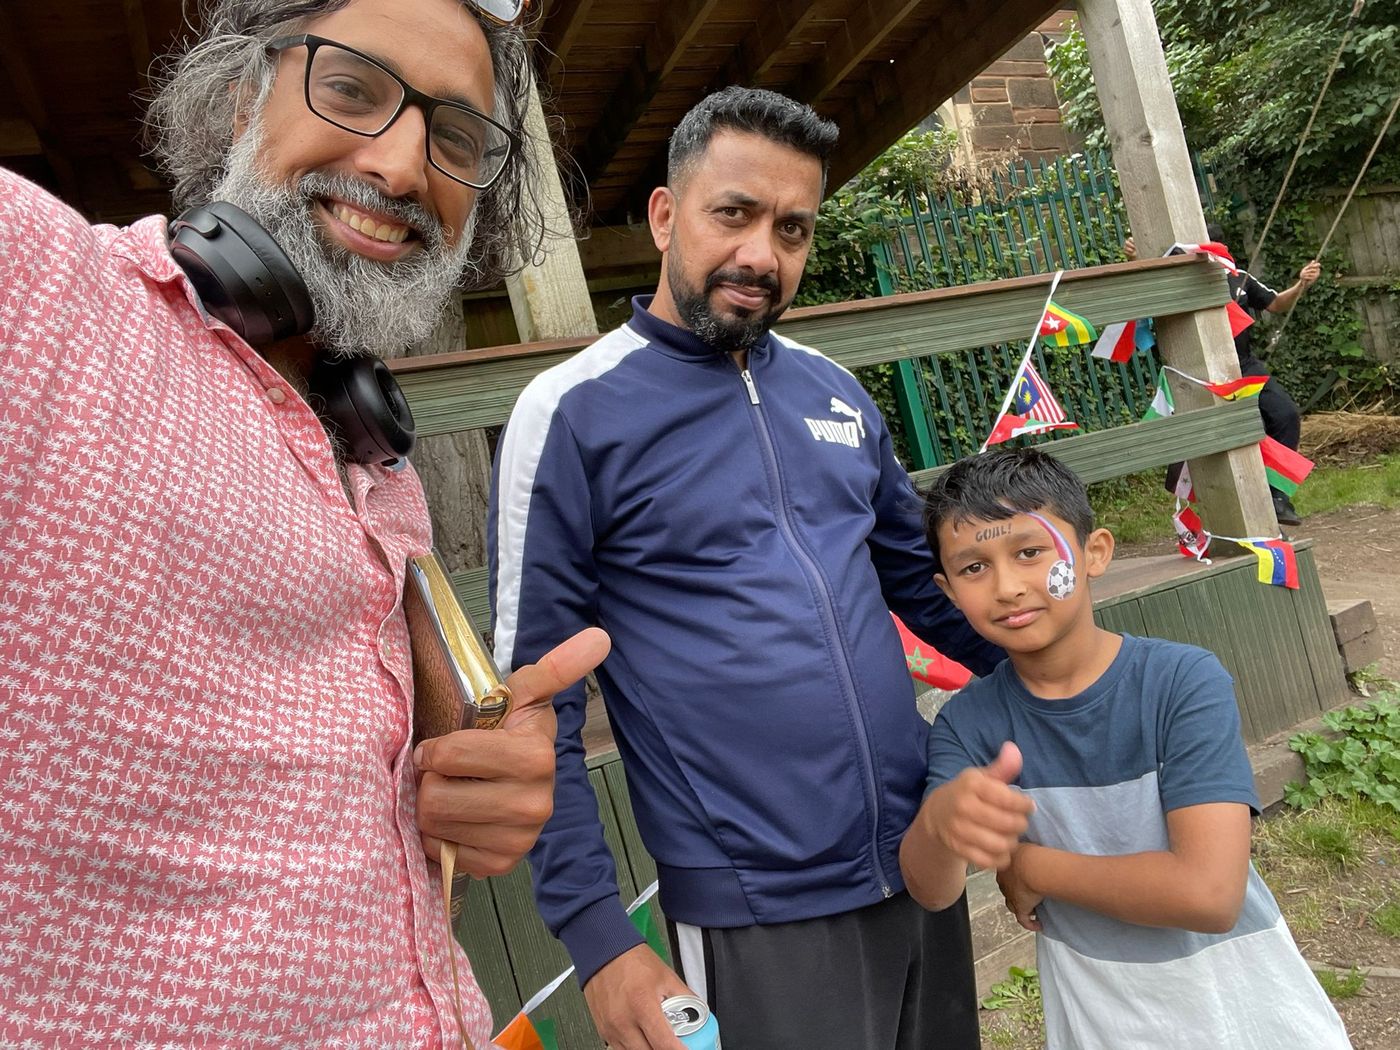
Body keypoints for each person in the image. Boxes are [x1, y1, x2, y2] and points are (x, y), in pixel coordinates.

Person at [0, 1, 611, 1046]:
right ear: (243, 97)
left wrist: (470, 786)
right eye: (353, 89)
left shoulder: (378, 459)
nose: (402, 163)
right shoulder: (45, 287)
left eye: (454, 139)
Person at [489, 86, 1005, 1050]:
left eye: (794, 229)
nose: (762, 255)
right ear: (665, 214)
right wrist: (600, 941)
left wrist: (1085, 692)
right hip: (754, 911)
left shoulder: (837, 392)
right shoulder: (570, 415)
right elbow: (533, 704)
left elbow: (933, 593)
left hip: (926, 863)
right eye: (735, 214)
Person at [899, 448, 1352, 1049]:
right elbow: (934, 890)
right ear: (948, 591)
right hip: (1098, 1021)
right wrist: (939, 827)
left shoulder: (1181, 682)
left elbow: (1210, 894)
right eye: (974, 568)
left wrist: (1030, 864)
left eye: (1030, 552)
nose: (1007, 587)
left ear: (1095, 553)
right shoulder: (965, 725)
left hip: (1246, 1014)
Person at [1126, 226, 1321, 525]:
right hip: (1199, 373)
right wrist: (1138, 258)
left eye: (1218, 249)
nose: (1213, 254)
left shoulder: (1237, 276)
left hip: (1244, 366)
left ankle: (1277, 498)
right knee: (1209, 439)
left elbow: (1275, 303)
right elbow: (1148, 288)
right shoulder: (1177, 277)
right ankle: (1212, 511)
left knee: (1285, 415)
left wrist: (1301, 285)